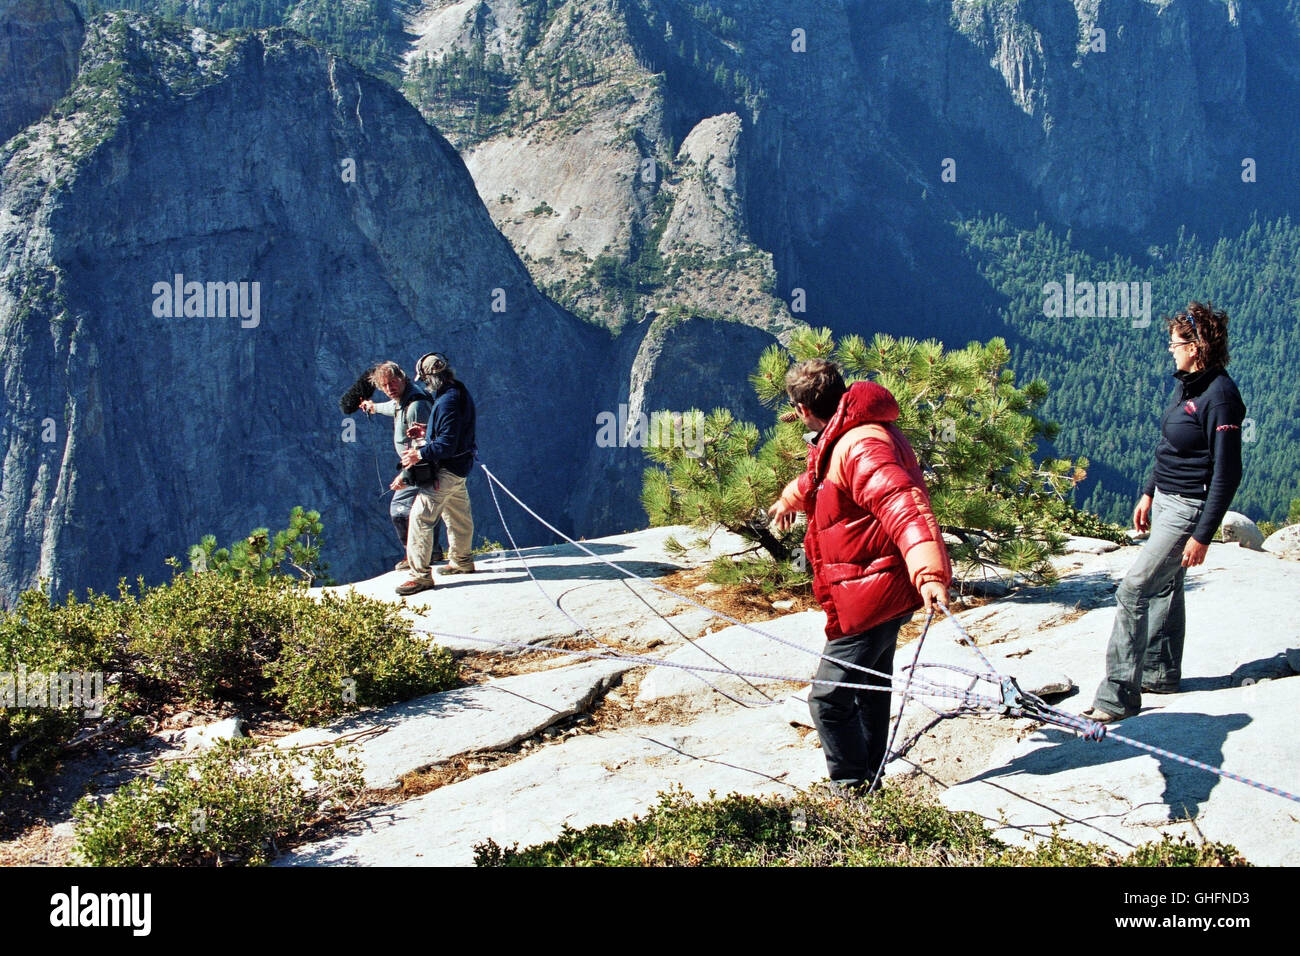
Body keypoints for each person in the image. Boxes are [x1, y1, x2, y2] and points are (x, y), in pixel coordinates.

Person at [768, 359, 952, 793]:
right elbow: (822, 478)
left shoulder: (860, 444)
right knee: (870, 684)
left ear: (802, 409)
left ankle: (851, 790)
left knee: (829, 699)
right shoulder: (849, 434)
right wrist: (788, 499)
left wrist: (929, 573)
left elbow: (902, 504)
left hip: (874, 592)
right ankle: (871, 780)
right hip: (878, 586)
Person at [1084, 302, 1246, 722]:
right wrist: (1149, 492)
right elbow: (1171, 446)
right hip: (1168, 501)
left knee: (1134, 589)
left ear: (1197, 346)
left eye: (1175, 343)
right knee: (1166, 585)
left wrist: (1203, 534)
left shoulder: (1221, 397)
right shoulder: (1189, 384)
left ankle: (1116, 696)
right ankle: (1160, 672)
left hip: (1190, 508)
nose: (1170, 349)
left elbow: (1228, 474)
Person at [395, 353, 477, 595]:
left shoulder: (447, 401)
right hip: (461, 467)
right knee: (458, 514)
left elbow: (446, 445)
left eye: (425, 379)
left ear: (432, 376)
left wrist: (418, 454)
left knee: (421, 518)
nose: (424, 384)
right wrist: (427, 429)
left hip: (447, 470)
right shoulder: (457, 391)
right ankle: (461, 561)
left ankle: (419, 576)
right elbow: (452, 430)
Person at [359, 364, 445, 570]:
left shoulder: (415, 406)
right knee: (425, 509)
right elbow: (392, 407)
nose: (390, 388)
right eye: (384, 385)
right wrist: (373, 407)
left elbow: (422, 444)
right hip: (419, 465)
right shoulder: (403, 401)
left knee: (400, 509)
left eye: (393, 382)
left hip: (422, 465)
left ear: (403, 379)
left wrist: (405, 476)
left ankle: (417, 554)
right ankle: (430, 552)